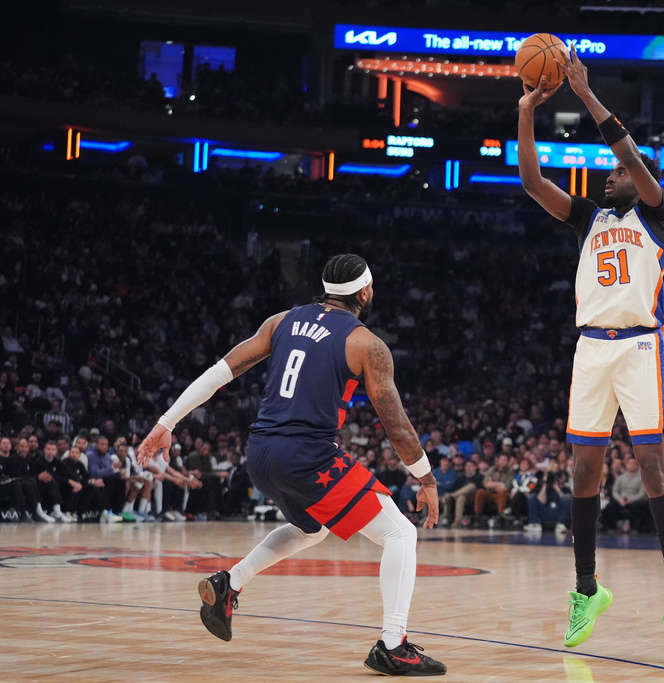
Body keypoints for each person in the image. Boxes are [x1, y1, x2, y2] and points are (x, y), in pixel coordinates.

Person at [137, 254, 446, 676]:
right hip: (307, 455)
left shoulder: (281, 321)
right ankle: (394, 644)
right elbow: (395, 422)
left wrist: (165, 422)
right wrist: (425, 478)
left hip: (260, 452)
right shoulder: (366, 343)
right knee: (400, 533)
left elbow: (221, 371)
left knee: (312, 528)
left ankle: (232, 582)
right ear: (365, 292)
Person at [517, 45, 664, 653]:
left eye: (618, 170)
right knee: (584, 471)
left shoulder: (655, 214)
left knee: (651, 468)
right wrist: (526, 108)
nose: (611, 173)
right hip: (590, 350)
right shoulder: (587, 219)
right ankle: (586, 588)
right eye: (610, 173)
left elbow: (628, 153)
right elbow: (532, 182)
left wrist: (584, 92)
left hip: (640, 348)